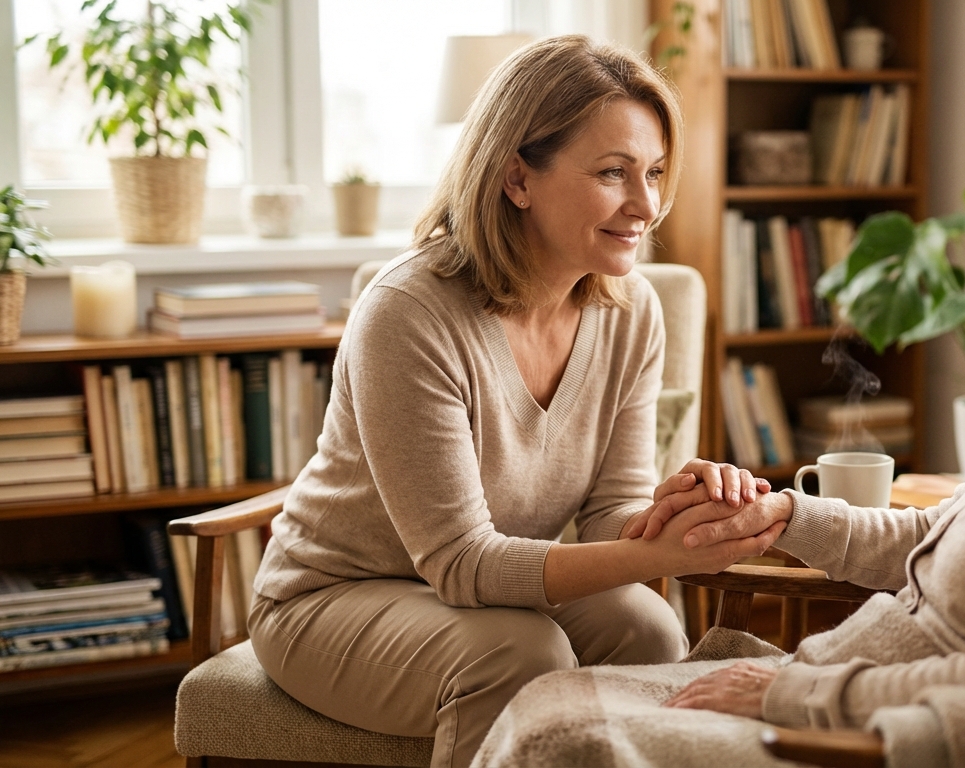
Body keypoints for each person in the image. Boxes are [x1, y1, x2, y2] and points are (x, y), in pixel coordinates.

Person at [474, 100, 965, 763]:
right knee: (552, 705)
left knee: (557, 743)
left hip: (862, 738)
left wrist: (790, 690)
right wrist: (785, 517)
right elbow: (940, 544)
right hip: (836, 690)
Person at [247, 36, 780, 768]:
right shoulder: (408, 312)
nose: (646, 204)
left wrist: (683, 517)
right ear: (516, 178)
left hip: (487, 594)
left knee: (649, 629)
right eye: (612, 173)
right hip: (332, 599)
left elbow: (608, 515)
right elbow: (462, 563)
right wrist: (653, 551)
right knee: (518, 651)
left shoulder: (632, 312)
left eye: (655, 172)